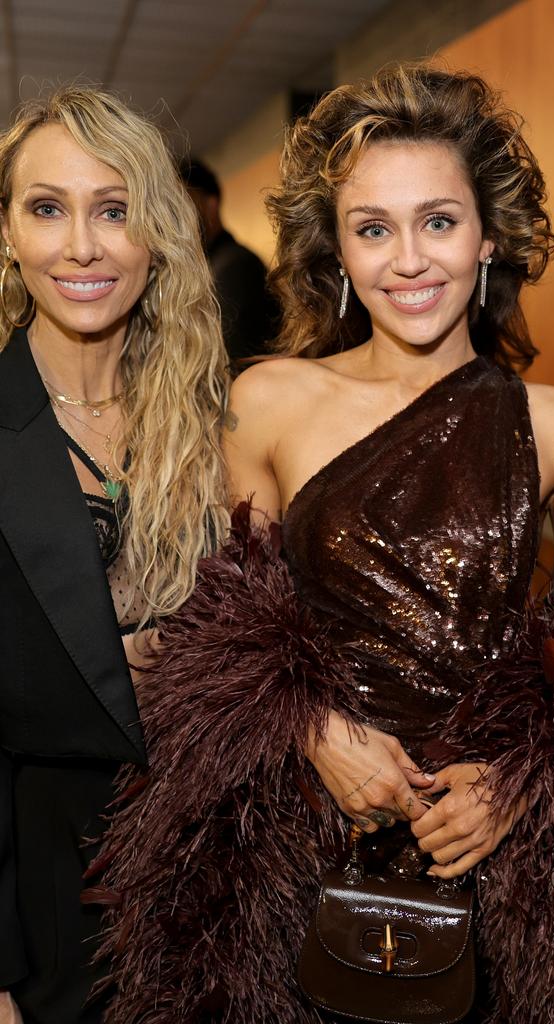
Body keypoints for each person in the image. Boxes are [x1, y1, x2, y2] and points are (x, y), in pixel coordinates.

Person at [91, 65, 554, 1024]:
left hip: (495, 874)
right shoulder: (267, 401)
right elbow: (205, 630)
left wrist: (521, 783)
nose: (409, 260)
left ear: (489, 237)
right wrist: (313, 731)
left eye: (438, 221)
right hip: (287, 848)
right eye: (373, 228)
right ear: (337, 249)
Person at [0, 87, 229, 1024]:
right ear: (9, 233)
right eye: (46, 208)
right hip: (44, 891)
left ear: (159, 233)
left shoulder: (220, 415)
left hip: (217, 880)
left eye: (114, 209)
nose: (81, 247)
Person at [181, 157, 277, 369]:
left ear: (211, 205)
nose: (178, 217)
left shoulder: (235, 266)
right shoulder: (212, 266)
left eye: (185, 203)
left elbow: (228, 359)